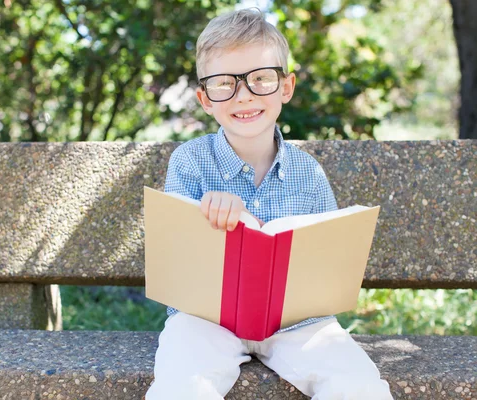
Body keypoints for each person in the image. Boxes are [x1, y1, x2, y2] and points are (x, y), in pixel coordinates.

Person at [144, 8, 393, 400]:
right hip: (206, 322)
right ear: (205, 98)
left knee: (359, 385)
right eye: (225, 83)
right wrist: (206, 218)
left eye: (261, 79)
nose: (243, 95)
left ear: (286, 87)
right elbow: (174, 268)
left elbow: (329, 273)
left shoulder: (309, 175)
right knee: (182, 385)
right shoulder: (189, 162)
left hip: (297, 325)